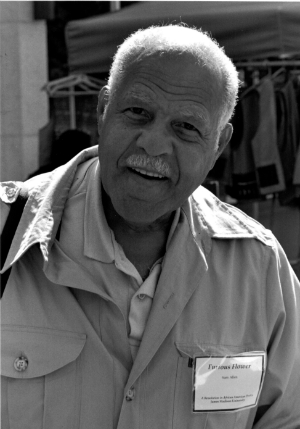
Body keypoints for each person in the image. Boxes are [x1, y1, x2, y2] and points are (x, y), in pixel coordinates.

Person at [1, 25, 299, 429]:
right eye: (138, 112)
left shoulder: (260, 268)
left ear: (219, 145)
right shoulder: (8, 235)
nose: (154, 144)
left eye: (186, 128)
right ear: (103, 110)